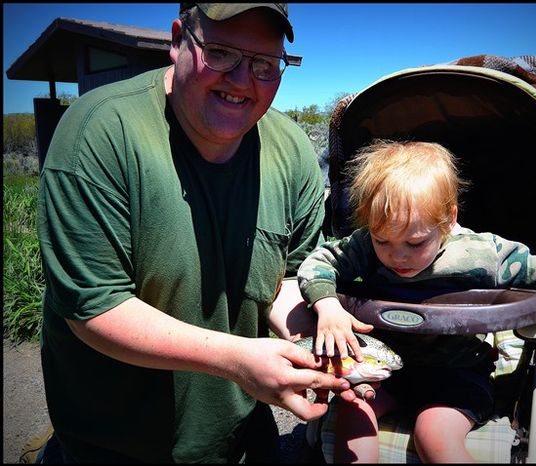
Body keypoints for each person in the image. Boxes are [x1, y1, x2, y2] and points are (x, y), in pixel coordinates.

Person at [36, 3, 359, 463]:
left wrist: (330, 352)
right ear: (177, 41)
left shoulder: (291, 151)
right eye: (222, 52)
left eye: (265, 64)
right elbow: (94, 307)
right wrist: (239, 360)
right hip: (117, 446)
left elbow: (287, 280)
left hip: (243, 441)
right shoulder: (99, 133)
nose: (243, 80)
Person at [297, 139, 536, 463]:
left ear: (448, 219)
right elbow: (317, 263)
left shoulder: (482, 254)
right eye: (383, 239)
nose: (397, 255)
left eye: (415, 242)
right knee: (353, 409)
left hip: (458, 374)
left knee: (433, 435)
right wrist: (328, 305)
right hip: (387, 372)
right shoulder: (366, 247)